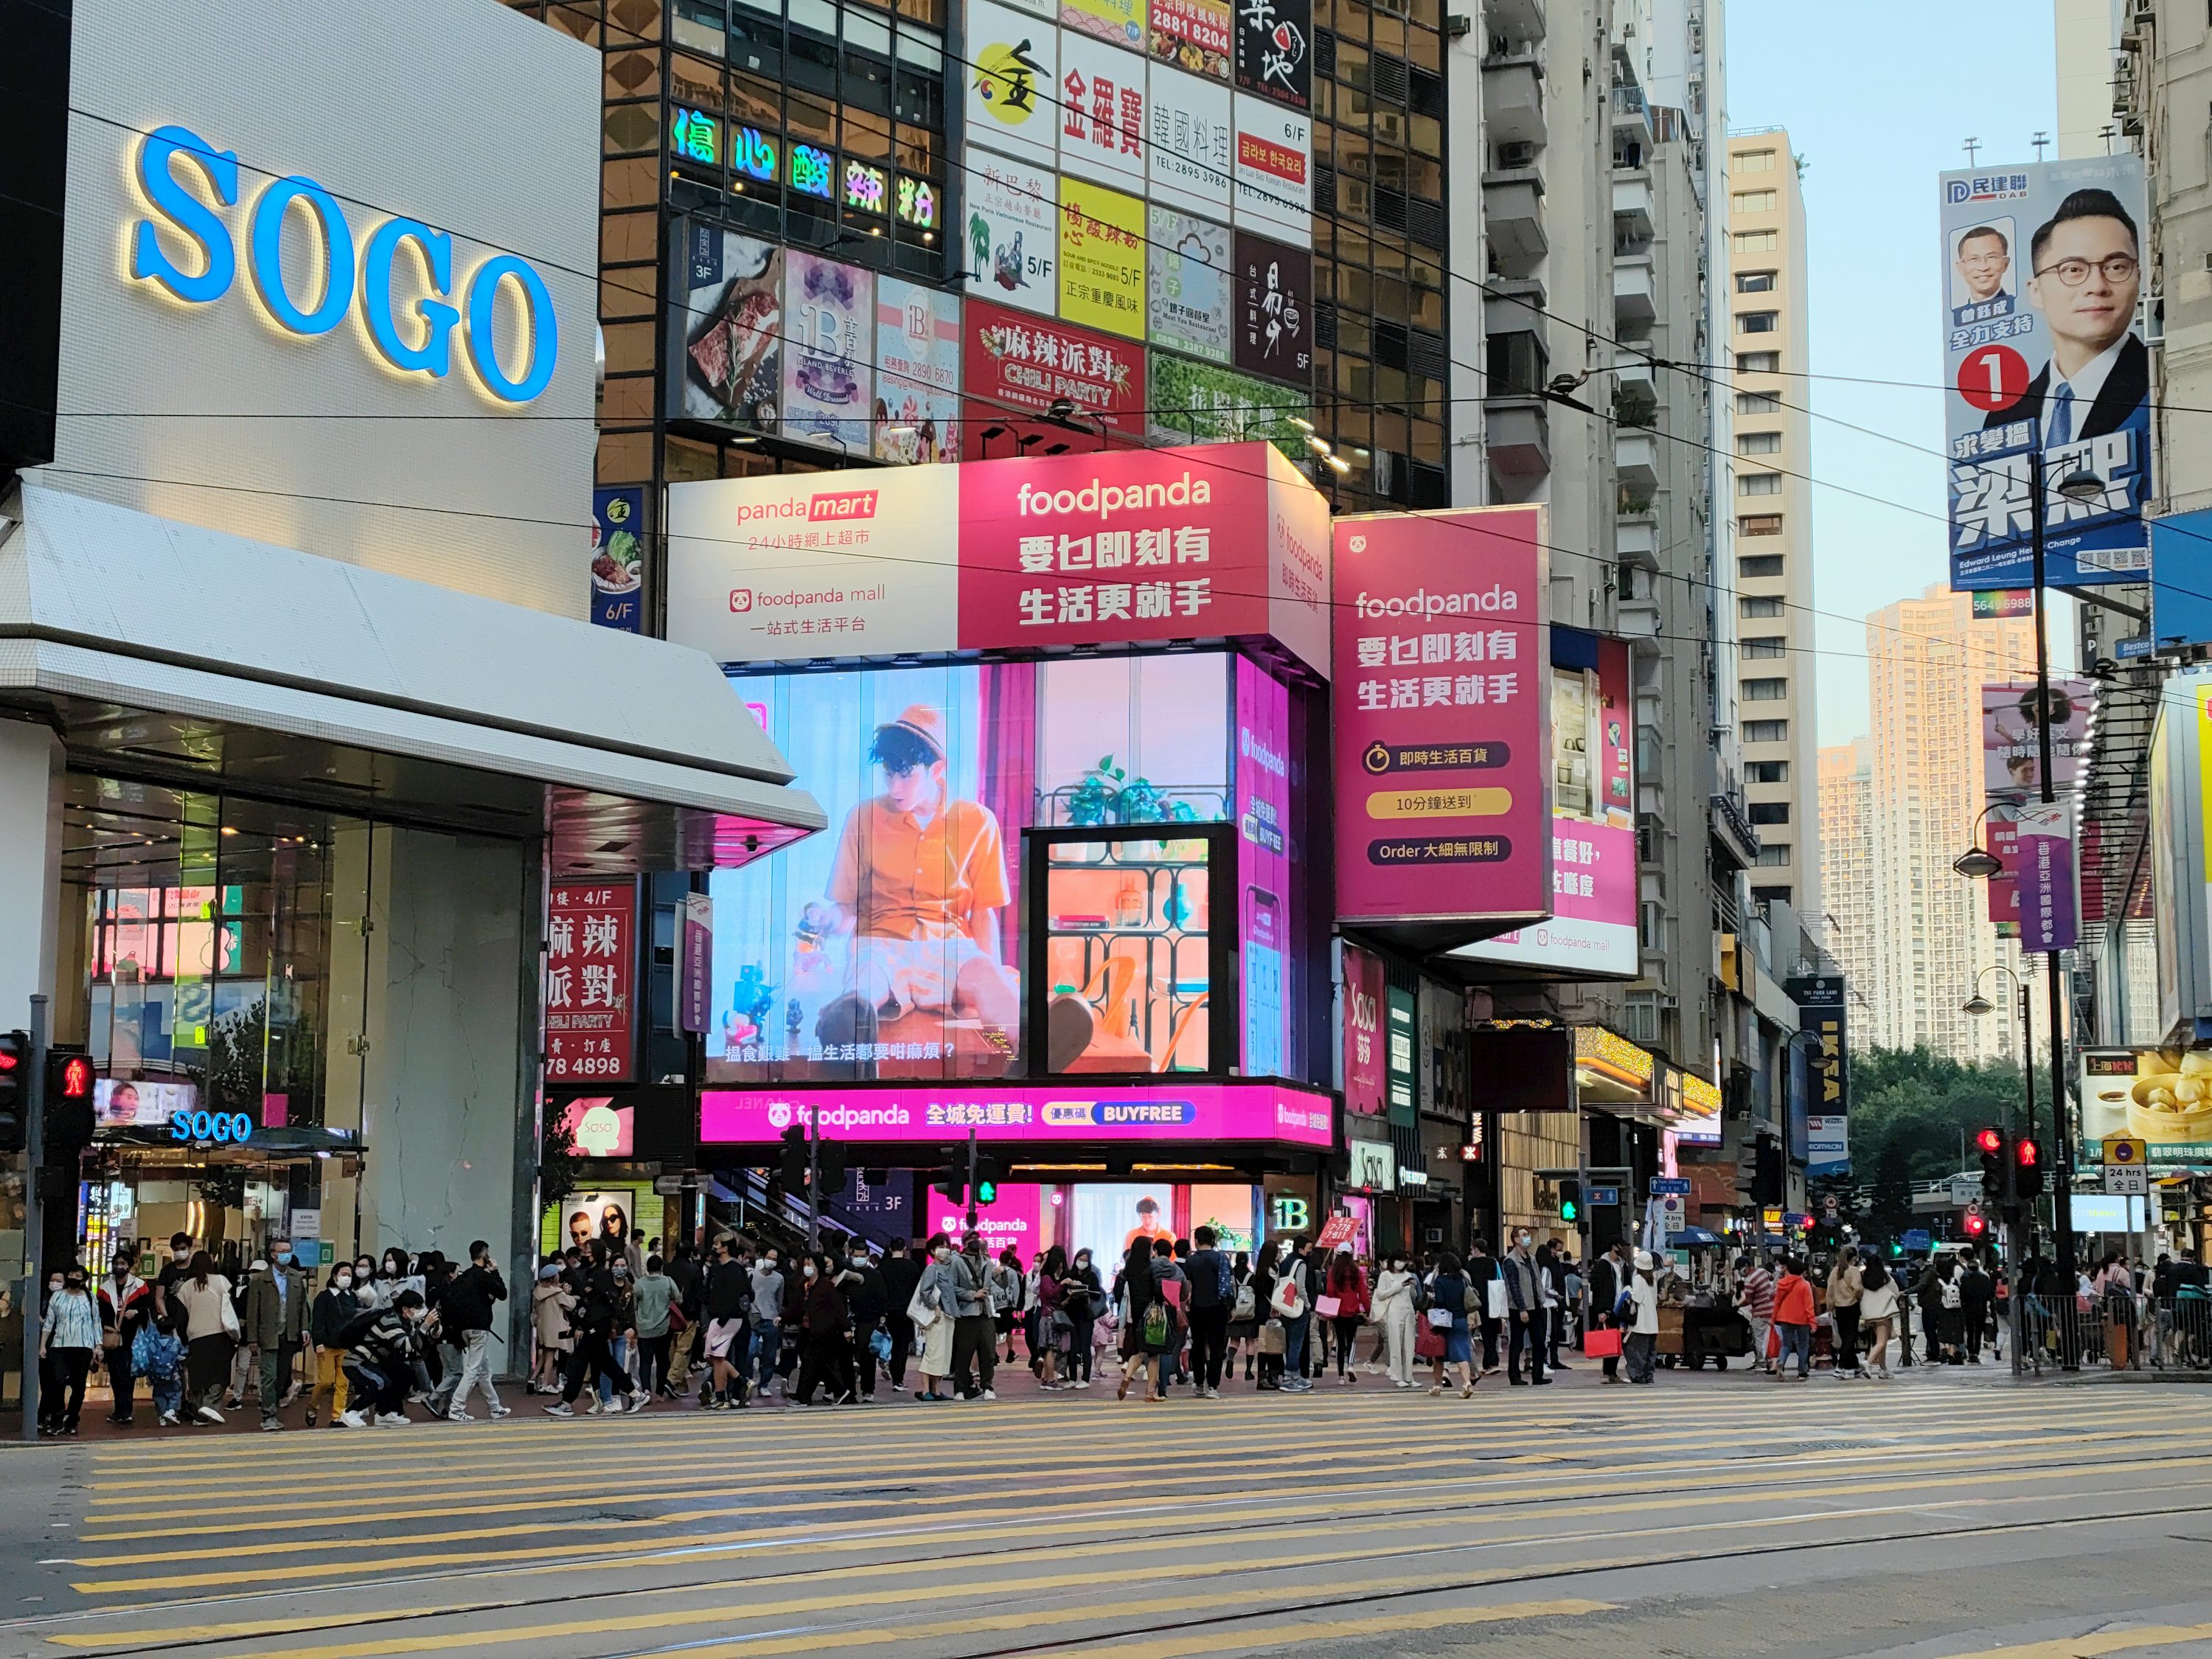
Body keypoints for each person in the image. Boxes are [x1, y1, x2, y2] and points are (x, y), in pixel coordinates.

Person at [813, 706, 1020, 1063]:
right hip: (880, 942)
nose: (895, 788)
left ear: (936, 771)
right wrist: (832, 921)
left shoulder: (977, 821)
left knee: (988, 977)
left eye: (906, 776)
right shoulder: (863, 817)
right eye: (888, 774)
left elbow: (983, 913)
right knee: (865, 984)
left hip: (950, 944)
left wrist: (995, 977)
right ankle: (846, 1036)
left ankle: (1034, 1046)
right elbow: (847, 907)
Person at [1982, 189, 2148, 445]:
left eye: (2116, 267)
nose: (2097, 286)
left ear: (2138, 278)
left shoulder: (2159, 379)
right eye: (2073, 270)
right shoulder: (2004, 417)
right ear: (2036, 291)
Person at [546, 1240, 645, 1416]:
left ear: (596, 1254)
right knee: (607, 1364)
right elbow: (587, 1304)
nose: (584, 1254)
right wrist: (576, 1325)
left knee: (579, 1363)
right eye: (584, 1251)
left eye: (588, 1252)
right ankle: (635, 1394)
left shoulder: (601, 1275)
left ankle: (567, 1403)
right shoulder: (589, 1273)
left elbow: (614, 1302)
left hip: (598, 1326)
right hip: (592, 1325)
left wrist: (626, 1326)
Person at [340, 1288, 428, 1427]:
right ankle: (351, 1412)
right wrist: (424, 1328)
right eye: (418, 1307)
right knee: (379, 1383)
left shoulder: (405, 1323)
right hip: (357, 1362)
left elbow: (415, 1348)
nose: (421, 1311)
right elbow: (406, 1346)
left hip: (375, 1363)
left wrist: (432, 1332)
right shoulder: (389, 1321)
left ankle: (385, 1414)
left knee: (405, 1374)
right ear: (405, 1309)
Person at [167, 1251, 235, 1425]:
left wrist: (184, 1339)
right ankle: (210, 1405)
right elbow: (231, 1307)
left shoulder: (185, 1287)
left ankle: (199, 1413)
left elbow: (181, 1319)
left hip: (196, 1336)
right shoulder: (222, 1281)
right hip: (220, 1334)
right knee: (220, 1375)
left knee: (198, 1376)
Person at [38, 1265, 100, 1436]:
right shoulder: (57, 1297)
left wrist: (98, 1345)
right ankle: (57, 1419)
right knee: (57, 1382)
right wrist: (43, 1345)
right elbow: (49, 1322)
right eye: (71, 1274)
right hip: (59, 1346)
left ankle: (72, 1419)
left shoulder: (90, 1297)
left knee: (79, 1386)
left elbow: (96, 1322)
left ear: (83, 1280)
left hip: (83, 1346)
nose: (73, 1277)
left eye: (77, 1275)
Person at [1116, 1238, 1179, 1402]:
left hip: (1136, 1314)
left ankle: (1127, 1378)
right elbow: (1158, 1290)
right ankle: (1151, 1392)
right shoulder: (1151, 1269)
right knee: (1154, 1354)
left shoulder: (1129, 1271)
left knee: (1140, 1350)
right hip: (1152, 1314)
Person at [790, 1253, 855, 1406]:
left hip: (823, 1332)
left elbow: (839, 1309)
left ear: (818, 1267)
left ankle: (804, 1397)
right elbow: (798, 1308)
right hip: (808, 1331)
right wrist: (784, 1317)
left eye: (810, 1264)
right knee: (817, 1365)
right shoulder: (804, 1285)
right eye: (805, 1265)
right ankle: (839, 1391)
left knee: (811, 1364)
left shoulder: (826, 1286)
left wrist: (846, 1328)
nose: (807, 1268)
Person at [98, 1251, 152, 1426]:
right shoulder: (105, 1288)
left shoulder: (140, 1286)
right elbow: (100, 1314)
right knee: (115, 1374)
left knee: (129, 1374)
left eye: (122, 1264)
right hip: (112, 1337)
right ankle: (119, 1409)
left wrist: (137, 1312)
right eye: (116, 1263)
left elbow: (149, 1309)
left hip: (133, 1337)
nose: (118, 1267)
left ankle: (126, 1410)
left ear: (129, 1266)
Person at [699, 1234, 753, 1410]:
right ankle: (736, 1386)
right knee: (717, 1358)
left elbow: (743, 1295)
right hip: (725, 1319)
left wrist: (720, 1317)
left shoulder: (733, 1270)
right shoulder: (721, 1269)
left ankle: (728, 1393)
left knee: (718, 1357)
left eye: (717, 1244)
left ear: (725, 1248)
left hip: (727, 1320)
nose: (714, 1247)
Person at [949, 1234, 1002, 1401]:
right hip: (966, 1313)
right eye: (972, 1239)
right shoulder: (957, 1262)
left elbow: (1001, 1285)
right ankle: (960, 1389)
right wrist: (972, 1295)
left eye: (977, 1239)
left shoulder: (988, 1262)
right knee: (963, 1353)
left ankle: (987, 1387)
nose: (976, 1242)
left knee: (988, 1352)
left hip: (986, 1312)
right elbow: (952, 1288)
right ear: (965, 1243)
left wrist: (1001, 1274)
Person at [307, 1263, 358, 1427]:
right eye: (344, 1274)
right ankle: (313, 1406)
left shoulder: (352, 1297)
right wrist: (318, 1343)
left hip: (345, 1347)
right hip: (327, 1347)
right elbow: (317, 1322)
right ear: (335, 1276)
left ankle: (337, 1416)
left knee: (343, 1383)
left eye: (349, 1275)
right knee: (325, 1382)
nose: (347, 1278)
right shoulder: (324, 1297)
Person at [1184, 1227, 1233, 1397]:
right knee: (1217, 1347)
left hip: (1197, 1308)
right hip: (1218, 1307)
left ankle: (1198, 1382)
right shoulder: (1222, 1258)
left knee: (1198, 1345)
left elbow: (1188, 1286)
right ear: (1213, 1241)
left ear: (1196, 1241)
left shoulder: (1191, 1261)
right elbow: (1229, 1284)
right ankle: (1212, 1386)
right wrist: (1231, 1307)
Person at [911, 1233, 960, 1401]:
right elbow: (925, 1292)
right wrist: (936, 1307)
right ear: (932, 1250)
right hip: (937, 1317)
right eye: (941, 1247)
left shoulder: (948, 1269)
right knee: (933, 1353)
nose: (945, 1250)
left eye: (947, 1247)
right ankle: (926, 1390)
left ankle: (937, 1390)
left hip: (950, 1315)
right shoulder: (931, 1269)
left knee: (943, 1355)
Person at [841, 1245, 889, 1401]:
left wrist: (882, 1317)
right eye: (856, 1256)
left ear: (868, 1257)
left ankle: (868, 1390)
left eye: (862, 1256)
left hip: (869, 1319)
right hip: (849, 1319)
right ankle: (848, 1390)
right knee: (846, 1356)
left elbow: (882, 1297)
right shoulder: (847, 1274)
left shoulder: (875, 1276)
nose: (859, 1259)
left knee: (867, 1355)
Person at [1501, 1229, 1548, 1385]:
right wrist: (1522, 1308)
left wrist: (1541, 1300)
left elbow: (1537, 1281)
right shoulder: (1511, 1260)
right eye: (1524, 1235)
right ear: (1516, 1239)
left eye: (1528, 1235)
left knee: (1539, 1342)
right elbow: (1514, 1287)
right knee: (1517, 1343)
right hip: (1519, 1308)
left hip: (1536, 1305)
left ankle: (1538, 1375)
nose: (1528, 1238)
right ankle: (1514, 1377)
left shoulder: (1532, 1258)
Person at [629, 1252, 678, 1402]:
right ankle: (660, 1392)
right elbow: (679, 1298)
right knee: (663, 1361)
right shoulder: (668, 1282)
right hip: (664, 1327)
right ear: (661, 1267)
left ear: (647, 1268)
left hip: (644, 1328)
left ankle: (646, 1390)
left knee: (645, 1361)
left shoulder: (639, 1284)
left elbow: (634, 1306)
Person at [879, 1237, 922, 1394]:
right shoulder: (912, 1266)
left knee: (892, 1343)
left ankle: (892, 1372)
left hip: (889, 1311)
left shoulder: (883, 1266)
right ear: (904, 1249)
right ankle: (899, 1380)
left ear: (890, 1249)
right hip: (907, 1311)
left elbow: (880, 1290)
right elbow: (918, 1290)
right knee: (902, 1346)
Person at [1368, 1251, 1417, 1389]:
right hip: (1394, 1312)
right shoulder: (1386, 1275)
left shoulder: (1408, 1275)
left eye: (1404, 1261)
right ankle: (1397, 1377)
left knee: (1409, 1346)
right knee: (1395, 1344)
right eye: (1399, 1260)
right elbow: (1381, 1295)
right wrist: (1399, 1286)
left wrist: (1412, 1287)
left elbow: (1413, 1296)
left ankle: (1409, 1377)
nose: (1401, 1263)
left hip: (1409, 1311)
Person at [1322, 1245, 1368, 1386]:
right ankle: (1351, 1365)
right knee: (1352, 1340)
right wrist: (1368, 1310)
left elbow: (1330, 1291)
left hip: (1338, 1312)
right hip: (1353, 1310)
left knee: (1340, 1343)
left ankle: (1341, 1376)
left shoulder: (1333, 1272)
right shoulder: (1356, 1272)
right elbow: (1363, 1293)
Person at [1952, 222, 2014, 324]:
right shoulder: (1957, 319)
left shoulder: (2016, 308)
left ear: (2005, 264)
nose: (1983, 267)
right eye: (1974, 259)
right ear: (1960, 268)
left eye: (1991, 257)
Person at [1274, 1238, 1315, 1391]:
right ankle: (1288, 1378)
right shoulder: (1301, 1264)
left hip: (1285, 1307)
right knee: (1296, 1345)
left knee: (1291, 1342)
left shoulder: (1284, 1263)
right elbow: (1301, 1288)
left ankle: (1296, 1376)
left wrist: (1274, 1304)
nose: (1310, 1252)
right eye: (1308, 1249)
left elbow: (1277, 1284)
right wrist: (1308, 1305)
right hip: (1298, 1308)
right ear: (1301, 1250)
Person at [665, 1241, 704, 1397]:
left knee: (672, 1349)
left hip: (669, 1314)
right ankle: (672, 1380)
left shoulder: (667, 1268)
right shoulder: (694, 1270)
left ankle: (679, 1385)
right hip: (688, 1315)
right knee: (683, 1350)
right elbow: (699, 1294)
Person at [1061, 1247, 1103, 1389]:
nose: (1082, 1263)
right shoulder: (1070, 1275)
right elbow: (1062, 1293)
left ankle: (1085, 1379)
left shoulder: (1092, 1276)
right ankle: (1072, 1378)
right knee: (1072, 1348)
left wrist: (1086, 1292)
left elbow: (1097, 1294)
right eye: (1080, 1259)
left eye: (1085, 1260)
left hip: (1086, 1316)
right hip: (1071, 1315)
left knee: (1085, 1347)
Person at [1589, 1239, 1630, 1385]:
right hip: (1608, 1309)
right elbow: (1596, 1288)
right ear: (1614, 1247)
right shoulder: (1602, 1265)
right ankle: (1606, 1373)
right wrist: (1601, 1310)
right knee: (1609, 1341)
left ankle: (1613, 1373)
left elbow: (1628, 1284)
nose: (1625, 1249)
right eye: (1622, 1246)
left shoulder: (1623, 1265)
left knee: (1618, 1342)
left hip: (1621, 1308)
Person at [749, 1247, 787, 1399]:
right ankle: (748, 1380)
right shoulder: (752, 1275)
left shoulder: (779, 1279)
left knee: (770, 1356)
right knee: (749, 1351)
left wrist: (778, 1316)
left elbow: (779, 1299)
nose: (771, 1261)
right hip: (754, 1317)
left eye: (774, 1259)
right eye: (769, 1258)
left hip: (771, 1318)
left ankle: (764, 1385)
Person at [532, 1262, 574, 1394]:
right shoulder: (557, 1293)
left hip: (542, 1327)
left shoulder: (537, 1291)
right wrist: (567, 1294)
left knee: (544, 1355)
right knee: (550, 1356)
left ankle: (532, 1380)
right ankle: (545, 1384)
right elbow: (571, 1305)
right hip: (555, 1329)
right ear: (553, 1278)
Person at [1771, 1255, 1815, 1381]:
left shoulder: (1782, 1284)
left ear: (1789, 1269)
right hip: (1802, 1319)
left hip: (1785, 1318)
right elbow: (1809, 1305)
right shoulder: (1805, 1285)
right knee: (1803, 1345)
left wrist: (1773, 1318)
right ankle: (1802, 1371)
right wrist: (1813, 1322)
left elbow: (1777, 1302)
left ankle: (1781, 1361)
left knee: (1786, 1344)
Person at [1032, 1245, 1069, 1391]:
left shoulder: (1048, 1277)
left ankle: (1047, 1379)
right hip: (1049, 1319)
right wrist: (1062, 1284)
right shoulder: (1047, 1278)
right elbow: (1050, 1293)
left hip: (1050, 1316)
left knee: (1049, 1350)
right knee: (1051, 1350)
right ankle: (1051, 1380)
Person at [1825, 1245, 1863, 1379]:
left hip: (1839, 1308)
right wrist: (1858, 1296)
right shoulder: (1853, 1270)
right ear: (1854, 1258)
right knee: (1850, 1338)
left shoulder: (1835, 1271)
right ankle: (1842, 1366)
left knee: (1844, 1337)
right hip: (1852, 1306)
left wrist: (1830, 1308)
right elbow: (1858, 1288)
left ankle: (1854, 1366)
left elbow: (1830, 1292)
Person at [1858, 1255, 1899, 1379]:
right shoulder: (1886, 1279)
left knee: (1880, 1342)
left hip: (1870, 1314)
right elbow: (1896, 1293)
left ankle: (1883, 1369)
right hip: (1884, 1313)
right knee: (1882, 1342)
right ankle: (1869, 1362)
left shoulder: (1863, 1279)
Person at [1736, 1253, 1778, 1374]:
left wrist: (1737, 1305)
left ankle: (1761, 1362)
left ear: (1746, 1266)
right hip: (1772, 1309)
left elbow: (1748, 1300)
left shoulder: (1750, 1281)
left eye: (1740, 1269)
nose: (1740, 1272)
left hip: (1760, 1312)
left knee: (1759, 1339)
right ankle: (1770, 1361)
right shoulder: (1762, 1271)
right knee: (1768, 1338)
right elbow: (1772, 1278)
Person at [1467, 1237, 1502, 1375]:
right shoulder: (1493, 1263)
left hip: (1474, 1301)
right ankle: (1491, 1362)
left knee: (1471, 1333)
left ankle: (1484, 1363)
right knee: (1490, 1333)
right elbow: (1499, 1279)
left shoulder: (1470, 1264)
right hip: (1491, 1301)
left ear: (1476, 1249)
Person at [1624, 1251, 1660, 1383]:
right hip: (1653, 1322)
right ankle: (1648, 1376)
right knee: (1650, 1352)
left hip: (1641, 1323)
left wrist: (1628, 1290)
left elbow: (1637, 1298)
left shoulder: (1638, 1279)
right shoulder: (1652, 1280)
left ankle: (1638, 1376)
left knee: (1636, 1352)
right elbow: (1655, 1301)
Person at [1225, 1251, 1258, 1383]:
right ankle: (1248, 1372)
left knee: (1234, 1341)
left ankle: (1230, 1359)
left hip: (1236, 1313)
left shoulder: (1231, 1276)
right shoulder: (1252, 1277)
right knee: (1250, 1342)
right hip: (1250, 1314)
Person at [1960, 1253, 1996, 1366]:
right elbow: (1989, 1295)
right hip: (1981, 1307)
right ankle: (1976, 1352)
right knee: (1979, 1331)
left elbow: (1962, 1294)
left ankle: (1971, 1353)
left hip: (1969, 1308)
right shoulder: (1985, 1279)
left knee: (1970, 1331)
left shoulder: (1965, 1279)